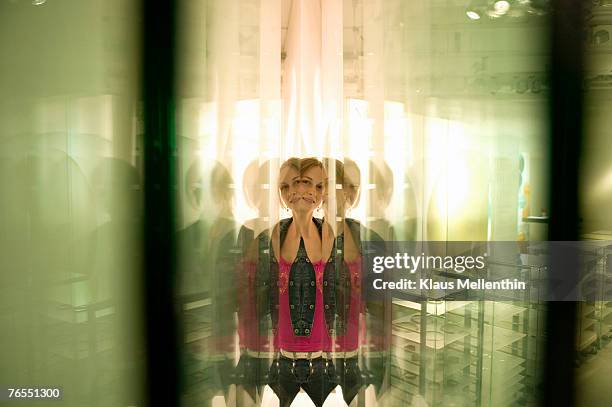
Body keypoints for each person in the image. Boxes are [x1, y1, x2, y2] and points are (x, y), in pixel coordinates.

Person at [244, 157, 339, 407]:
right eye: (288, 186)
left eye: (316, 186)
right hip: (283, 355)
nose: (301, 191)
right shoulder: (277, 232)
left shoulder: (326, 231)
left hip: (320, 356)